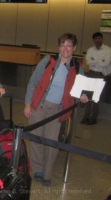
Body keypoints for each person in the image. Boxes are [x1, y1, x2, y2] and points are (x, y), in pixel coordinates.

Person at [23, 33, 88, 186]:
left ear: (74, 48)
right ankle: (37, 170)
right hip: (39, 105)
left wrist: (83, 98)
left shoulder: (78, 68)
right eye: (62, 45)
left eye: (69, 45)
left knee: (52, 144)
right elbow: (32, 82)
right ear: (59, 47)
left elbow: (79, 94)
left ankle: (47, 174)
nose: (65, 49)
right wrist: (27, 104)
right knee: (36, 139)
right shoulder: (48, 61)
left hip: (58, 110)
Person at [81, 32, 111, 125]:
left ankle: (93, 118)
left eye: (99, 38)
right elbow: (88, 62)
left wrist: (95, 61)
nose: (98, 40)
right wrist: (99, 61)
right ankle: (85, 117)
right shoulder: (90, 50)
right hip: (91, 73)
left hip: (101, 75)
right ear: (93, 40)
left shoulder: (108, 50)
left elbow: (106, 63)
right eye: (96, 38)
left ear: (102, 39)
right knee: (88, 96)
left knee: (96, 97)